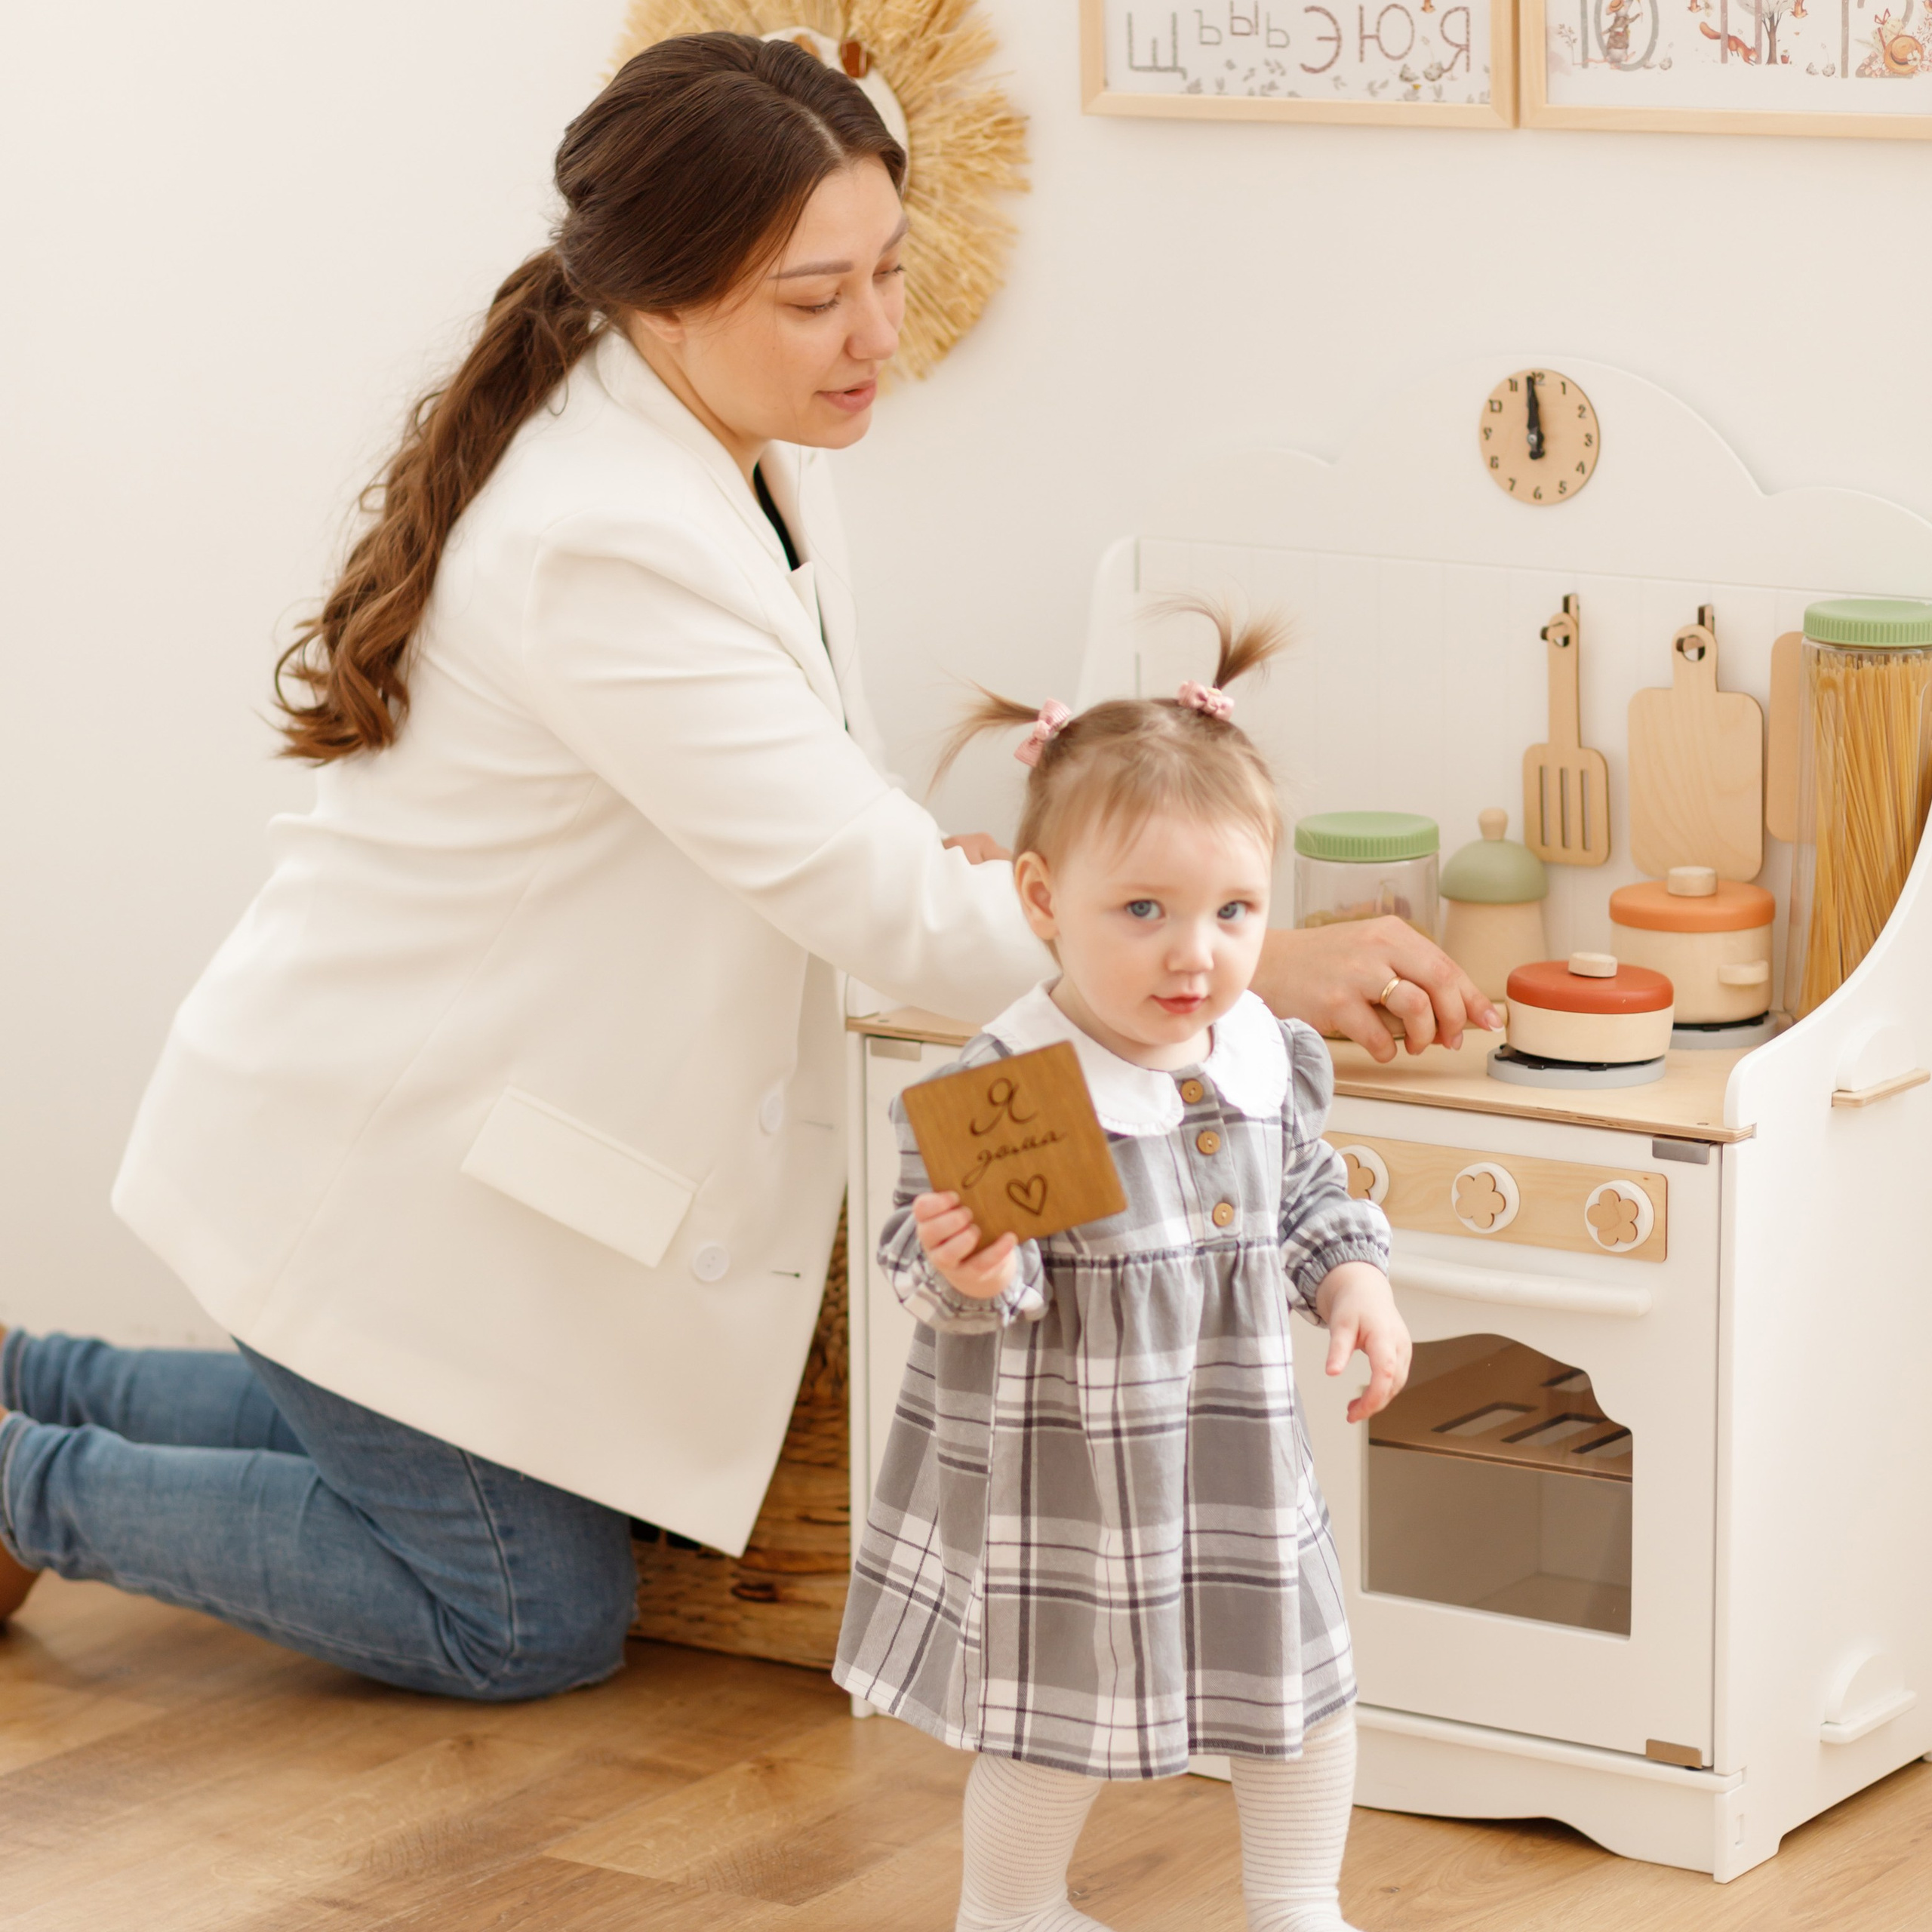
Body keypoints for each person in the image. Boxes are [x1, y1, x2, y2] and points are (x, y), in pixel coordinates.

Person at [0, 34, 1478, 1694]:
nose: (874, 334)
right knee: (519, 1615)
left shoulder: (738, 442)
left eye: (886, 273)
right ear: (666, 301)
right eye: (812, 297)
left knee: (458, 1484)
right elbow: (875, 901)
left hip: (426, 1129)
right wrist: (1245, 951)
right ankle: (22, 1480)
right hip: (381, 1154)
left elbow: (800, 798)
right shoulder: (605, 530)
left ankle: (30, 1375)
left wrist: (964, 868)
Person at [834, 611, 1409, 1932]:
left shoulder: (1252, 1045)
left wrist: (1352, 1282)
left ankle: (1296, 1903)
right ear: (1042, 900)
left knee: (1304, 1682)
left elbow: (1305, 1186)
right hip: (1074, 1473)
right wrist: (970, 1278)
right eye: (1142, 911)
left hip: (1238, 1448)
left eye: (1233, 911)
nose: (1192, 953)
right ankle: (1012, 1907)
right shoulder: (1013, 1082)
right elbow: (922, 1258)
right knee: (1054, 1718)